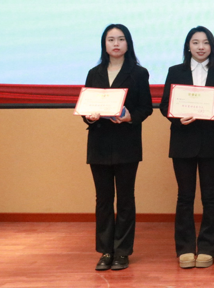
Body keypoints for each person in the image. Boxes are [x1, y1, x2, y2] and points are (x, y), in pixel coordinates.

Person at [159, 26, 214, 269]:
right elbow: (164, 106)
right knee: (184, 197)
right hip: (182, 141)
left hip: (211, 142)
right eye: (195, 42)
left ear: (212, 46)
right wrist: (177, 117)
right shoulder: (175, 71)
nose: (201, 47)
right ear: (188, 46)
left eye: (205, 42)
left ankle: (208, 248)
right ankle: (184, 248)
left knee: (210, 196)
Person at [82, 24, 153, 272]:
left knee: (125, 199)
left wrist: (130, 117)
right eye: (111, 39)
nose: (116, 43)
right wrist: (89, 117)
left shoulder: (139, 73)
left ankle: (122, 251)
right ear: (104, 44)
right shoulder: (94, 73)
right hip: (99, 144)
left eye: (121, 39)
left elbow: (146, 108)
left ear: (128, 43)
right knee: (103, 200)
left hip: (126, 144)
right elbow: (86, 107)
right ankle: (105, 251)